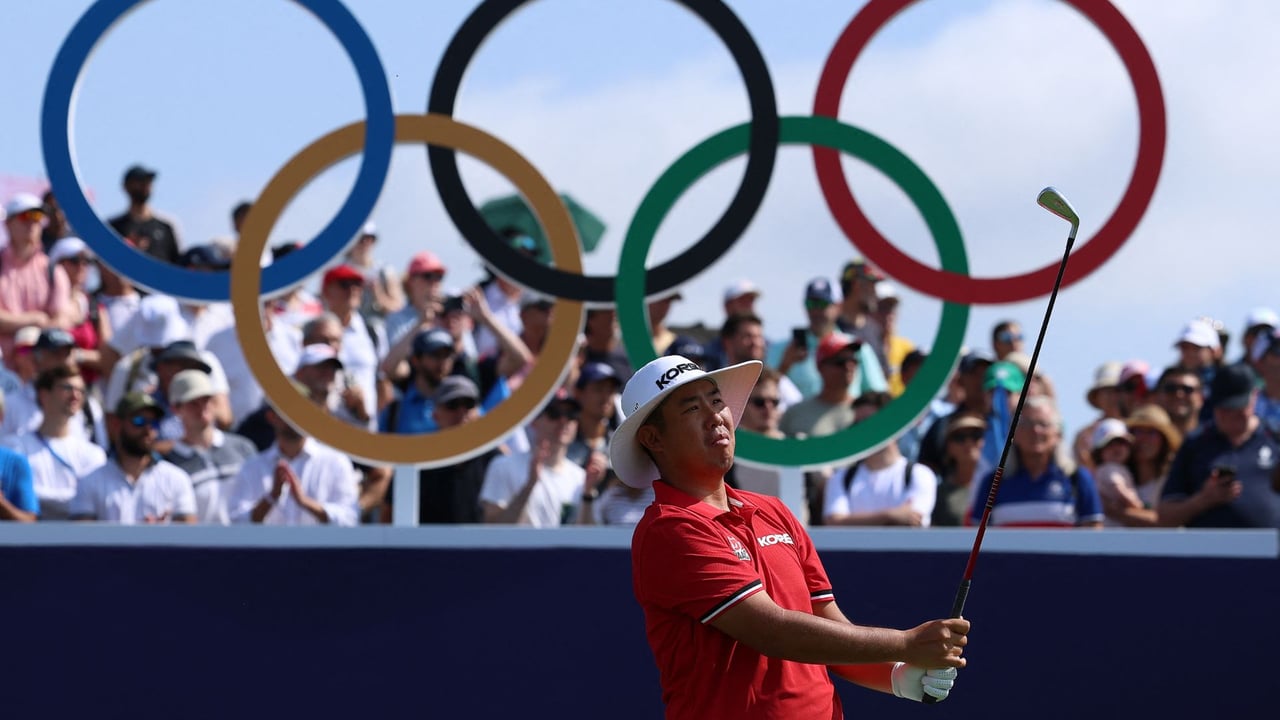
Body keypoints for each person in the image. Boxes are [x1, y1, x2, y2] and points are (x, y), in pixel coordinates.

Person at [613, 354, 967, 718]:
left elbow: (830, 631)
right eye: (691, 408)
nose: (716, 416)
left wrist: (898, 677)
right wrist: (907, 644)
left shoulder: (773, 511)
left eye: (716, 401)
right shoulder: (670, 529)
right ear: (653, 438)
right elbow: (771, 631)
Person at [1157, 363, 1280, 528]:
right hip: (1208, 551)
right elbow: (1164, 516)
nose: (1228, 414)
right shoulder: (1195, 443)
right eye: (1223, 408)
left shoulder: (1275, 438)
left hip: (1268, 551)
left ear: (1254, 397)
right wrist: (1203, 500)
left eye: (1236, 407)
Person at [226, 390, 361, 526]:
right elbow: (237, 521)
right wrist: (271, 497)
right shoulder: (252, 467)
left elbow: (350, 518)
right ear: (271, 417)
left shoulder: (336, 462)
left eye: (302, 411)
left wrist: (305, 502)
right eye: (289, 410)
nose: (295, 417)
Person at [968, 395, 1104, 528]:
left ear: (1058, 433)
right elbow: (976, 533)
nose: (1035, 430)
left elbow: (1093, 533)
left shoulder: (1077, 479)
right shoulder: (993, 482)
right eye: (1027, 423)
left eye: (1043, 424)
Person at [69, 393, 197, 524]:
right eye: (139, 421)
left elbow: (190, 537)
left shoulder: (177, 479)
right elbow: (81, 539)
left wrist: (162, 535)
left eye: (153, 423)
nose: (148, 430)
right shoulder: (89, 482)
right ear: (116, 425)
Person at [3, 366, 107, 520]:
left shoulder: (94, 454)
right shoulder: (14, 446)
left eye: (81, 391)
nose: (75, 395)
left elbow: (94, 502)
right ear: (44, 395)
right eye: (67, 388)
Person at [823, 392, 937, 527]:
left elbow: (914, 518)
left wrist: (853, 521)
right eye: (857, 424)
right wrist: (890, 515)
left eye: (870, 422)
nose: (862, 430)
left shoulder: (920, 474)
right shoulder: (841, 478)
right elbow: (834, 521)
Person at [162, 370, 258, 525]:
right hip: (200, 547)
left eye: (206, 400)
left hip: (248, 544)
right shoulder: (169, 462)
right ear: (176, 409)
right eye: (193, 403)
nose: (202, 408)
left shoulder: (243, 447)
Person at [480, 396, 590, 527]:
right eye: (554, 414)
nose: (563, 421)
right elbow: (493, 529)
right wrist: (530, 485)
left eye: (571, 415)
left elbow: (588, 537)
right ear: (534, 421)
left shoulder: (581, 478)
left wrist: (588, 495)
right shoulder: (502, 466)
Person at [768, 277, 886, 399]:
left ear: (839, 306)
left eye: (822, 304)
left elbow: (878, 397)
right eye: (810, 304)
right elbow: (760, 393)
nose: (815, 311)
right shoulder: (781, 349)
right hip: (799, 418)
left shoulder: (857, 348)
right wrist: (784, 365)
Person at [408, 376, 501, 524]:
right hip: (428, 546)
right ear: (435, 415)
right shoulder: (418, 460)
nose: (461, 413)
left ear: (478, 412)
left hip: (481, 546)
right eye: (452, 405)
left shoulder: (494, 459)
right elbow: (390, 515)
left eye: (469, 405)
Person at [1, 193, 73, 361]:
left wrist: (30, 336)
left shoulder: (53, 270)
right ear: (8, 224)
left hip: (41, 374)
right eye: (25, 217)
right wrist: (33, 319)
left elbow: (62, 319)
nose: (33, 224)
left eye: (38, 218)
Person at [1104, 404, 1181, 528]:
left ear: (1164, 440)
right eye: (1138, 431)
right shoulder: (1113, 476)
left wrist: (1117, 512)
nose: (1143, 439)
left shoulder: (1172, 480)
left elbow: (1167, 522)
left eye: (1151, 432)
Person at [48, 237, 111, 385]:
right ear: (57, 263)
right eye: (74, 260)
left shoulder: (94, 307)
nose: (81, 266)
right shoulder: (45, 302)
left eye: (86, 261)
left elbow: (108, 358)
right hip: (52, 389)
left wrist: (77, 356)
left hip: (86, 390)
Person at [779, 332, 860, 439]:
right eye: (840, 362)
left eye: (853, 361)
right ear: (821, 367)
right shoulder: (796, 413)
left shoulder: (865, 411)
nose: (848, 367)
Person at [107, 165, 180, 264]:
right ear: (126, 186)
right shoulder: (113, 228)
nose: (146, 185)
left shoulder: (165, 227)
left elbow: (177, 263)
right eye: (140, 181)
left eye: (149, 181)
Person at [932, 413, 986, 527]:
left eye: (976, 436)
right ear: (948, 447)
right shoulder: (937, 494)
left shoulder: (997, 486)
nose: (968, 443)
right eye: (960, 438)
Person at [343, 221, 404, 321]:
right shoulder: (339, 270)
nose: (365, 242)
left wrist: (378, 294)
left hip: (378, 328)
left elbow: (397, 308)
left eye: (370, 238)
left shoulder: (385, 271)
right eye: (360, 238)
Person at [1073, 361, 1123, 473]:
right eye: (1107, 391)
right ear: (1097, 397)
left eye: (1117, 390)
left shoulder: (1139, 430)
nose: (1113, 397)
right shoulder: (1085, 436)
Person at [1089, 418, 1138, 528]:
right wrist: (1136, 504)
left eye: (1121, 443)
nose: (1116, 448)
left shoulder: (1117, 468)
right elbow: (1118, 488)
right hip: (1113, 527)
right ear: (1099, 451)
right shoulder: (1110, 468)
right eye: (1110, 444)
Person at [1152, 364, 1204, 440]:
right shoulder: (1143, 442)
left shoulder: (1216, 442)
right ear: (1157, 396)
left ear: (1201, 398)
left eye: (1187, 389)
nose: (1179, 395)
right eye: (1171, 389)